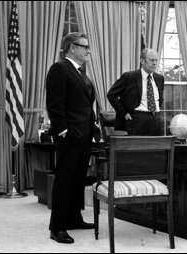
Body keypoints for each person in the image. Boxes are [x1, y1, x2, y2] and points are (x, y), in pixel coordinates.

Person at [46, 32, 100, 244]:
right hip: (69, 137)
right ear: (71, 48)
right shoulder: (59, 69)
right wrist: (63, 132)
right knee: (65, 181)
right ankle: (57, 227)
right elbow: (54, 104)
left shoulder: (81, 72)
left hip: (85, 137)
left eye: (88, 46)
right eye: (84, 46)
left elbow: (86, 104)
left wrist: (93, 127)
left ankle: (74, 218)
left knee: (78, 180)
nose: (88, 50)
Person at [107, 48, 164, 136]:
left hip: (156, 119)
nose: (155, 63)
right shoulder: (129, 77)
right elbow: (111, 95)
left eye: (156, 60)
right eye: (151, 60)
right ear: (142, 61)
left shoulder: (160, 78)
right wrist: (124, 113)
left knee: (156, 149)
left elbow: (160, 99)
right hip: (137, 119)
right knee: (137, 149)